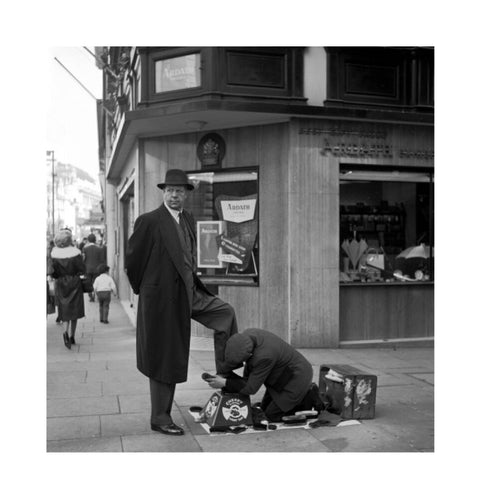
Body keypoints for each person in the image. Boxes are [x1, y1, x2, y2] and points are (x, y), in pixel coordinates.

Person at [126, 168, 238, 436]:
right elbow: (133, 262)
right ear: (164, 193)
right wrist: (151, 292)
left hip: (190, 293)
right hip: (163, 300)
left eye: (179, 191)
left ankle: (224, 378)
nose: (174, 195)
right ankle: (160, 417)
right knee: (165, 356)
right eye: (170, 191)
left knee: (225, 313)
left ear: (186, 194)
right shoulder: (149, 221)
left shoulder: (187, 218)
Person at [205, 328, 325, 423]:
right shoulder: (248, 336)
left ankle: (308, 397)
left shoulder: (264, 356)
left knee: (272, 416)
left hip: (297, 378)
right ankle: (299, 397)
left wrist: (225, 382)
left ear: (250, 355)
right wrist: (225, 376)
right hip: (281, 377)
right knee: (263, 410)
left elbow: (251, 388)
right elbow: (247, 375)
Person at [49, 229, 86, 349]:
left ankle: (65, 332)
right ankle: (72, 336)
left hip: (61, 284)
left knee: (64, 310)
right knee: (74, 310)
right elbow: (82, 269)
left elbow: (53, 273)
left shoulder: (54, 254)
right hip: (74, 283)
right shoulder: (76, 253)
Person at [82, 233, 106, 302]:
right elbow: (102, 260)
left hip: (88, 269)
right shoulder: (99, 248)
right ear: (95, 240)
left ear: (88, 240)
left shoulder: (85, 248)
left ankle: (91, 297)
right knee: (96, 282)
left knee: (88, 283)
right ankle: (96, 294)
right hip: (97, 269)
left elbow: (83, 259)